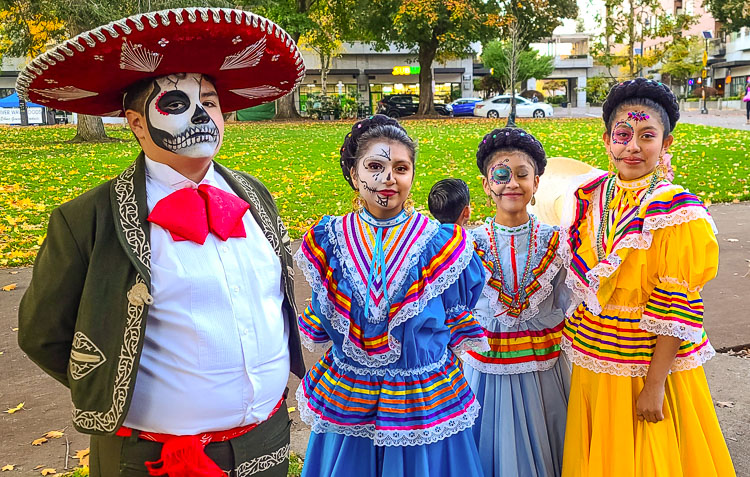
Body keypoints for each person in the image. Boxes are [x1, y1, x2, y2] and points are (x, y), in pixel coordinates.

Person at [17, 8, 306, 477]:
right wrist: (111, 384)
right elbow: (43, 335)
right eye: (175, 104)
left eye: (209, 102)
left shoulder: (254, 196)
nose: (201, 116)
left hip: (266, 446)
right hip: (150, 461)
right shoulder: (86, 220)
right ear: (134, 123)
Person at [294, 114, 489, 477]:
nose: (388, 178)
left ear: (412, 175)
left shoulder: (443, 246)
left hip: (422, 398)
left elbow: (454, 321)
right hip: (351, 395)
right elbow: (324, 320)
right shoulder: (328, 241)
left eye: (401, 167)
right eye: (375, 166)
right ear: (354, 175)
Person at [560, 78, 736, 477]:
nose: (633, 146)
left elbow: (676, 304)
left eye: (647, 135)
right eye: (623, 134)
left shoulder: (677, 211)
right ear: (607, 140)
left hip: (646, 363)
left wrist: (655, 384)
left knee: (648, 455)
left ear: (666, 143)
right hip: (595, 355)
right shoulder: (592, 197)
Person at [460, 127, 571, 477]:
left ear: (537, 183)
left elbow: (571, 300)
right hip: (484, 372)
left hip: (544, 373)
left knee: (551, 440)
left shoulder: (558, 243)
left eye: (522, 175)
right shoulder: (467, 245)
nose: (512, 184)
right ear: (486, 185)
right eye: (502, 175)